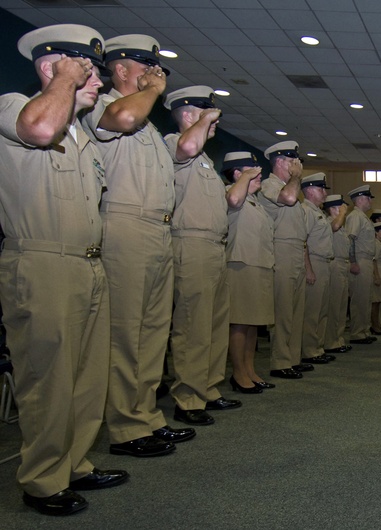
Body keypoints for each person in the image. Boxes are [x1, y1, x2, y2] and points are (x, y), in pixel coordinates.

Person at [0, 23, 126, 516]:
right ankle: (41, 480)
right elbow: (39, 129)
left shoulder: (84, 139)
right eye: (86, 68)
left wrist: (74, 87)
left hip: (89, 266)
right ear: (52, 67)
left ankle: (74, 464)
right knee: (48, 378)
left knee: (87, 377)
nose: (97, 78)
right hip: (43, 262)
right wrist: (63, 83)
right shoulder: (16, 106)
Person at [81, 35, 193, 454]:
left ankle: (146, 415)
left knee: (152, 334)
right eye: (145, 65)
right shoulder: (102, 106)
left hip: (158, 232)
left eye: (156, 67)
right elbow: (122, 119)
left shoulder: (149, 126)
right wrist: (150, 92)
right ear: (120, 68)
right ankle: (127, 428)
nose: (154, 73)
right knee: (126, 334)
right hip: (125, 228)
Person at [164, 86, 240, 426]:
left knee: (213, 324)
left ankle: (208, 388)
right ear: (187, 114)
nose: (215, 123)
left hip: (214, 247)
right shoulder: (174, 144)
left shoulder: (206, 162)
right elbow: (186, 147)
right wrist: (205, 119)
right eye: (207, 114)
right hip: (190, 245)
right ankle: (187, 398)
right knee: (192, 326)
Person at [222, 151, 273, 394]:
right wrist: (244, 179)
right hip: (241, 264)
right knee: (240, 323)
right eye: (251, 172)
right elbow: (233, 199)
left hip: (259, 264)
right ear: (237, 174)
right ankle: (238, 373)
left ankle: (250, 369)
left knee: (253, 323)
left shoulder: (256, 202)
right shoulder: (231, 193)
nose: (258, 175)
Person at [259, 140, 310, 379]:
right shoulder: (270, 185)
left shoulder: (291, 188)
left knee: (296, 310)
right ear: (280, 162)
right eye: (293, 161)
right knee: (283, 311)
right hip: (280, 250)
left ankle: (292, 358)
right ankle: (280, 361)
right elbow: (288, 198)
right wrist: (296, 177)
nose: (297, 165)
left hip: (296, 251)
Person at [299, 173, 336, 363]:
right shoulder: (306, 211)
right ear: (310, 190)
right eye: (321, 189)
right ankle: (309, 350)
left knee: (322, 309)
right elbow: (302, 242)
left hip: (324, 263)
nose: (324, 193)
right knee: (312, 311)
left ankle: (318, 347)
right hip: (314, 262)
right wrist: (308, 269)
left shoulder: (319, 212)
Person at [345, 184, 377, 344]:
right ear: (359, 199)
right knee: (359, 299)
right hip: (360, 259)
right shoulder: (355, 217)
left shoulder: (362, 217)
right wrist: (352, 262)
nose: (370, 200)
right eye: (368, 197)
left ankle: (364, 330)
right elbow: (350, 239)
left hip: (366, 260)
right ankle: (357, 333)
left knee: (366, 298)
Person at [322, 194, 351, 355]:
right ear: (333, 208)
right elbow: (335, 226)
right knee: (333, 306)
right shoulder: (330, 222)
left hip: (343, 264)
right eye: (341, 207)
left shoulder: (341, 225)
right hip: (334, 264)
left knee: (341, 306)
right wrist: (342, 214)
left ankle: (337, 339)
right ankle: (330, 341)